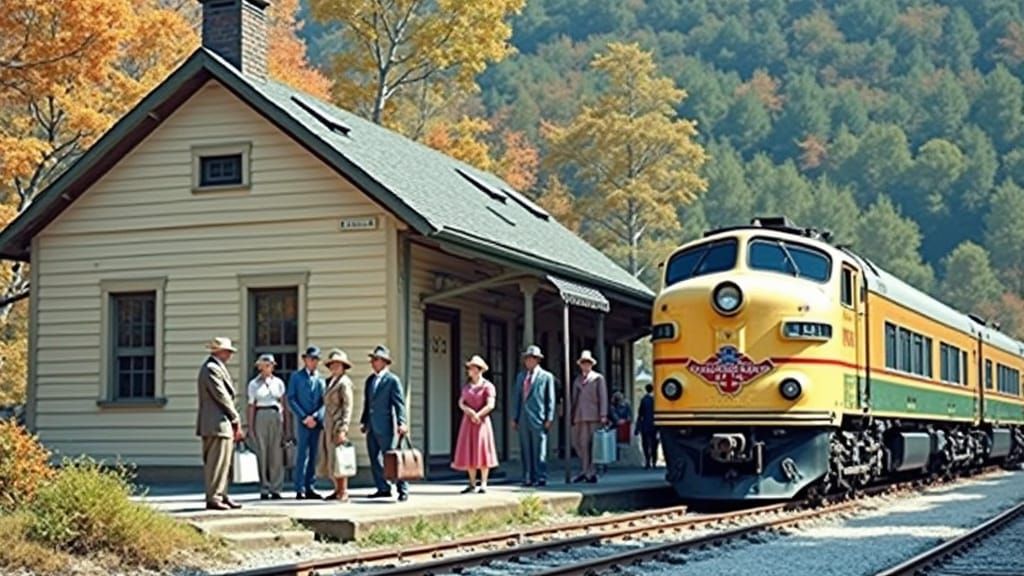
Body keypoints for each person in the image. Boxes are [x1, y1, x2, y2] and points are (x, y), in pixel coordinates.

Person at [195, 337, 244, 511]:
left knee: (223, 463)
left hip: (221, 422)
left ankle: (222, 494)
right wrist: (235, 417)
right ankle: (214, 497)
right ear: (219, 351)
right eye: (227, 351)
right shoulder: (211, 369)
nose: (229, 355)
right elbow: (221, 396)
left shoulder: (217, 367)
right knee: (216, 462)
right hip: (216, 422)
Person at [360, 345, 410, 502]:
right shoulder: (370, 380)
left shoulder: (392, 380)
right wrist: (364, 421)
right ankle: (382, 488)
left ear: (384, 362)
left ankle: (403, 489)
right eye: (372, 360)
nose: (372, 363)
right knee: (374, 457)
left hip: (386, 426)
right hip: (372, 425)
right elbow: (368, 403)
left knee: (392, 458)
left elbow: (399, 404)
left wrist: (402, 422)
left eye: (375, 359)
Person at [452, 355, 499, 493]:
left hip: (482, 422)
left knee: (482, 449)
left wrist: (478, 415)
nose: (469, 371)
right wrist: (469, 411)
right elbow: (461, 402)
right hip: (468, 421)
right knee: (469, 449)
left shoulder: (487, 386)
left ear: (479, 370)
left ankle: (483, 483)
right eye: (469, 368)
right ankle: (472, 483)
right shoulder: (467, 387)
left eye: (472, 368)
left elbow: (491, 404)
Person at [513, 345, 555, 487]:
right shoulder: (521, 377)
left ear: (537, 360)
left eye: (532, 359)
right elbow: (517, 397)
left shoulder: (546, 377)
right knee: (525, 448)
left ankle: (540, 476)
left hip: (539, 416)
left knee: (539, 448)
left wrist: (549, 417)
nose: (529, 362)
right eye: (527, 359)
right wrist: (515, 417)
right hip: (523, 417)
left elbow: (550, 398)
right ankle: (527, 476)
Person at [287, 345, 325, 500]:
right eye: (311, 359)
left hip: (316, 422)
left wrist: (316, 416)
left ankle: (310, 486)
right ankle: (299, 487)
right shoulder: (296, 377)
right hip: (302, 421)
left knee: (314, 454)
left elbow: (324, 402)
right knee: (302, 454)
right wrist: (304, 417)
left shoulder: (320, 379)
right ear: (305, 360)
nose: (313, 362)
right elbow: (291, 398)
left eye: (316, 359)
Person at [316, 349, 355, 502]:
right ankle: (336, 489)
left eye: (337, 365)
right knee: (331, 458)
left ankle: (343, 490)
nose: (334, 367)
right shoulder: (331, 381)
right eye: (332, 364)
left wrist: (343, 428)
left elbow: (347, 407)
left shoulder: (344, 383)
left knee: (340, 458)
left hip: (337, 424)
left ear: (343, 366)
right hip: (328, 424)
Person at [246, 353, 285, 500]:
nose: (268, 368)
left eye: (270, 365)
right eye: (265, 365)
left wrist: (286, 426)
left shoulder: (278, 383)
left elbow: (284, 404)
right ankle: (264, 486)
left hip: (275, 414)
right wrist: (250, 427)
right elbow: (251, 406)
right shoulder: (253, 384)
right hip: (260, 415)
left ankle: (276, 487)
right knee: (262, 452)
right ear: (259, 367)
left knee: (276, 452)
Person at [571, 350, 608, 484]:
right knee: (579, 443)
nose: (585, 365)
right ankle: (585, 469)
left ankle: (590, 472)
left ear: (591, 364)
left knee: (593, 445)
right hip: (579, 415)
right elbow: (574, 399)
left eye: (587, 363)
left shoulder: (598, 378)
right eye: (583, 363)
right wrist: (571, 414)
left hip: (594, 415)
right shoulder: (577, 380)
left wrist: (603, 414)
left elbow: (603, 396)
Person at [635, 383, 658, 469]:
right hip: (654, 425)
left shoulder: (644, 400)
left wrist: (637, 427)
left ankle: (647, 461)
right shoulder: (656, 400)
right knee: (654, 444)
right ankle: (654, 461)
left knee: (645, 444)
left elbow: (640, 414)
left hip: (645, 425)